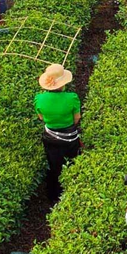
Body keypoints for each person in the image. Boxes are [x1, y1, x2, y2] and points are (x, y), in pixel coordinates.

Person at [34, 63, 81, 200]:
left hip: (50, 137)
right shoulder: (72, 98)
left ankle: (54, 193)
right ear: (63, 84)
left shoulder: (39, 99)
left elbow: (41, 117)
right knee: (72, 161)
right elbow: (76, 118)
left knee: (54, 164)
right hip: (70, 137)